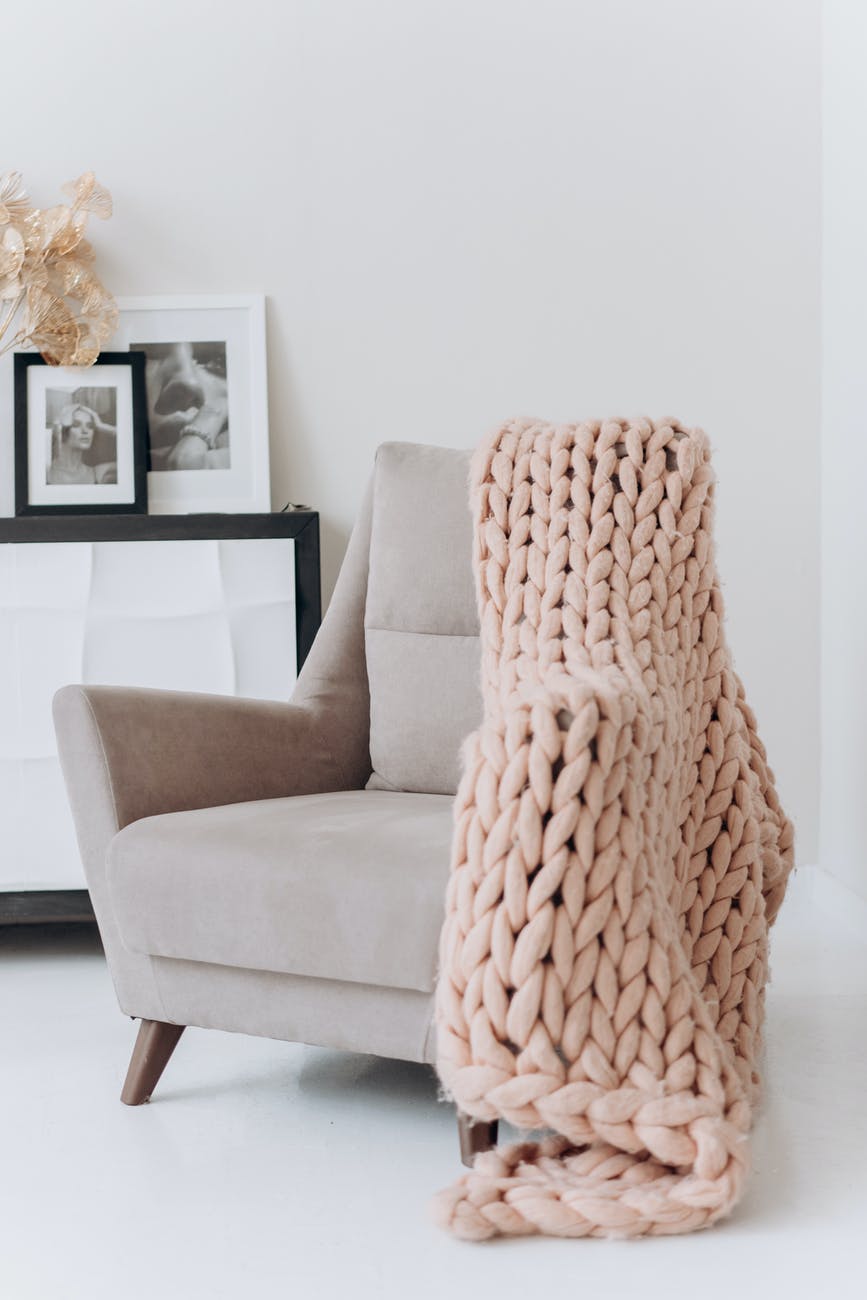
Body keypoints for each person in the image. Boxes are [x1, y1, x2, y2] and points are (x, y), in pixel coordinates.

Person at [47, 404, 117, 485]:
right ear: (61, 431)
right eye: (76, 425)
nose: (85, 430)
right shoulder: (45, 472)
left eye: (90, 426)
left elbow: (132, 440)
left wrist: (101, 425)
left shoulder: (97, 472)